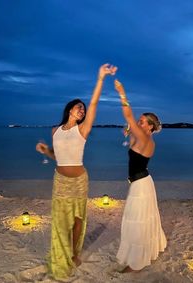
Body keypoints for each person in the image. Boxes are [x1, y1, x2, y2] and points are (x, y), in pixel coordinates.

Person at [36, 63, 117, 281]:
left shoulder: (83, 129)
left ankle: (74, 252)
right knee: (61, 221)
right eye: (78, 107)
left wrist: (100, 78)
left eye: (83, 109)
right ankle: (63, 255)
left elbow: (94, 102)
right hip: (60, 181)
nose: (82, 110)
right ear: (70, 109)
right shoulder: (55, 131)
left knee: (78, 219)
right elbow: (59, 156)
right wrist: (46, 150)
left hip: (80, 181)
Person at [114, 79, 167, 272]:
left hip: (141, 185)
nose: (138, 122)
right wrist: (130, 133)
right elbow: (130, 133)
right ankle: (140, 254)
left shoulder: (145, 137)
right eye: (139, 121)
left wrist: (121, 92)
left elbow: (127, 114)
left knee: (135, 223)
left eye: (142, 121)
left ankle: (136, 262)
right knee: (141, 220)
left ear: (150, 126)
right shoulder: (146, 138)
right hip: (142, 182)